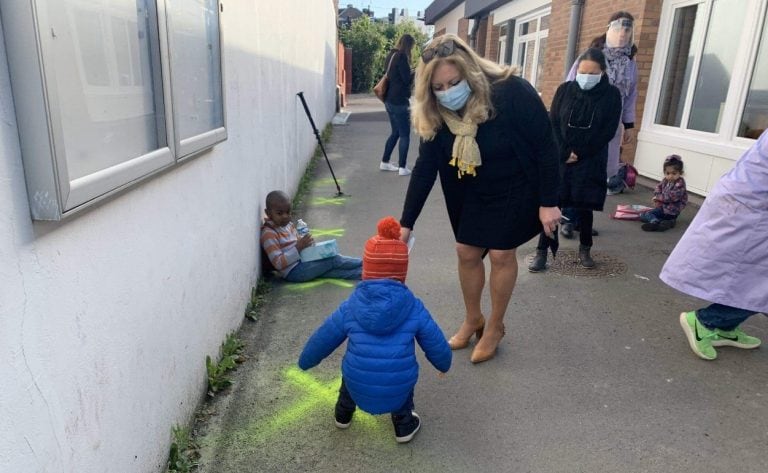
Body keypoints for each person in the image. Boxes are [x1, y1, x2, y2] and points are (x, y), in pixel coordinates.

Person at [399, 34, 561, 363]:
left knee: (502, 254)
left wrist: (549, 201)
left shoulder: (510, 91)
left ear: (470, 73)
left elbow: (547, 145)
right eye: (438, 87)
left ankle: (495, 326)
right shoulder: (436, 113)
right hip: (471, 187)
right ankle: (474, 318)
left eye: (453, 82)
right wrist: (406, 224)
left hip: (516, 185)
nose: (447, 92)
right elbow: (425, 168)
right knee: (466, 251)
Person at [298, 217, 452, 443]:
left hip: (357, 382)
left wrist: (306, 361)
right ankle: (404, 425)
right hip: (397, 385)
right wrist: (444, 364)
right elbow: (435, 341)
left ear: (366, 269)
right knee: (402, 385)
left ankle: (343, 414)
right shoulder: (413, 306)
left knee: (350, 375)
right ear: (402, 271)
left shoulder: (350, 306)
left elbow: (324, 337)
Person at [660, 129, 768, 361]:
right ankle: (706, 322)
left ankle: (725, 326)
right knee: (757, 285)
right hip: (750, 209)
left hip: (749, 207)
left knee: (752, 282)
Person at [529, 48, 622, 272]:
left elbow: (608, 131)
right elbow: (553, 123)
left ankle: (585, 249)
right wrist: (564, 152)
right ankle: (542, 252)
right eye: (582, 71)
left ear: (602, 72)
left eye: (592, 73)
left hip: (590, 159)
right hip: (561, 158)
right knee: (553, 205)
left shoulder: (611, 95)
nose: (586, 77)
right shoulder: (565, 90)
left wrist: (579, 153)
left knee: (584, 206)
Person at [561, 11, 639, 237]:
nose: (623, 34)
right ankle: (569, 217)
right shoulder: (592, 56)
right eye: (618, 28)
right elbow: (570, 86)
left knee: (597, 173)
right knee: (576, 170)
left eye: (627, 29)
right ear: (608, 29)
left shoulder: (629, 63)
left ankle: (582, 220)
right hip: (583, 123)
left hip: (609, 128)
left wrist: (629, 124)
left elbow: (630, 94)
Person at [260, 190, 362, 282]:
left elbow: (297, 242)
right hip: (293, 272)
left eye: (288, 212)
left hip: (303, 262)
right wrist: (298, 247)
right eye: (279, 213)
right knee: (333, 259)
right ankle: (366, 263)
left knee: (330, 269)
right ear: (268, 213)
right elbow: (278, 263)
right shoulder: (269, 234)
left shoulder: (288, 225)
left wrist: (307, 244)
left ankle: (366, 274)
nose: (285, 216)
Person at [380, 34, 416, 176]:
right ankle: (402, 167)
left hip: (389, 99)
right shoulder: (402, 57)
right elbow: (406, 79)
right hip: (400, 100)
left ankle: (385, 162)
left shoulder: (391, 55)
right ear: (408, 45)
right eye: (412, 46)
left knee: (395, 132)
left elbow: (394, 75)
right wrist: (415, 72)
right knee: (404, 135)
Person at [640, 155, 688, 232]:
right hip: (663, 209)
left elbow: (671, 197)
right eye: (668, 173)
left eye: (674, 173)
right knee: (642, 215)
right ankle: (668, 222)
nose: (670, 176)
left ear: (680, 173)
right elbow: (658, 188)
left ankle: (654, 222)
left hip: (671, 211)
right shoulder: (665, 180)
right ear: (664, 172)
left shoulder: (680, 184)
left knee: (647, 214)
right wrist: (657, 195)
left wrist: (658, 198)